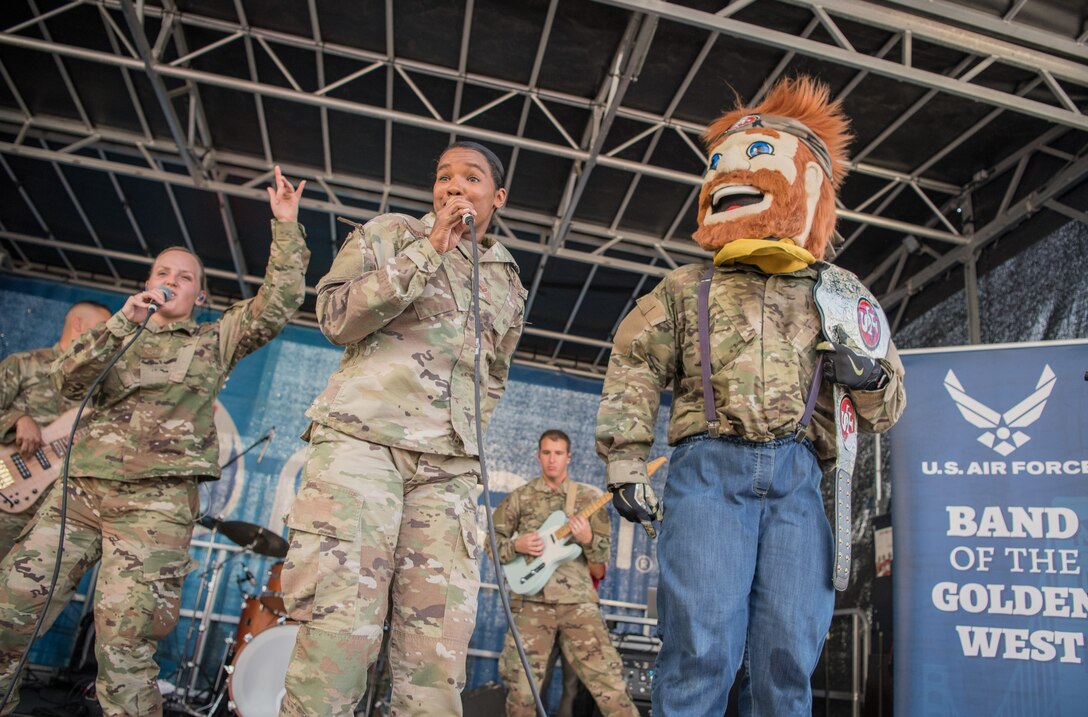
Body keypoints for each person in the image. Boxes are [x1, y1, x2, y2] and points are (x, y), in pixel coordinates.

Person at [596, 77, 907, 716]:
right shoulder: (685, 287)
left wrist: (867, 379)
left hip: (798, 480)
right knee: (700, 650)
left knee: (788, 653)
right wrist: (625, 459)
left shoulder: (838, 292)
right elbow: (633, 365)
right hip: (708, 473)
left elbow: (890, 404)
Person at [0, 165, 310, 717]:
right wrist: (123, 323)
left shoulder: (213, 342)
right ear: (146, 283)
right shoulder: (115, 333)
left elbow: (278, 302)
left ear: (199, 294)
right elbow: (66, 381)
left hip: (154, 507)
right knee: (8, 613)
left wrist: (285, 224)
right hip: (80, 495)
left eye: (184, 276)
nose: (171, 279)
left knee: (124, 650)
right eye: (162, 271)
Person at [278, 141, 527, 717]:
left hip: (449, 472)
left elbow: (494, 377)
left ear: (499, 197)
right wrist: (431, 249)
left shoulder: (506, 278)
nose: (455, 187)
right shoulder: (390, 234)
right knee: (339, 638)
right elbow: (336, 318)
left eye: (471, 177)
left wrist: (463, 442)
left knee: (436, 659)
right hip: (363, 448)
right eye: (444, 177)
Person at [492, 429, 638, 717]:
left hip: (577, 603)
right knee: (521, 692)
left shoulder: (588, 499)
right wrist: (516, 544)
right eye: (546, 453)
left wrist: (586, 540)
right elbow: (491, 544)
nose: (552, 460)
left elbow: (600, 563)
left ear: (568, 457)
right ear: (538, 456)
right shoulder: (520, 497)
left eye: (558, 453)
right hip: (532, 602)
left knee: (610, 685)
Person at [0, 301, 111, 557]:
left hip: (54, 513)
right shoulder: (25, 364)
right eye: (102, 330)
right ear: (78, 325)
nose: (107, 339)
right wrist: (17, 419)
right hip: (8, 489)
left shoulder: (101, 390)